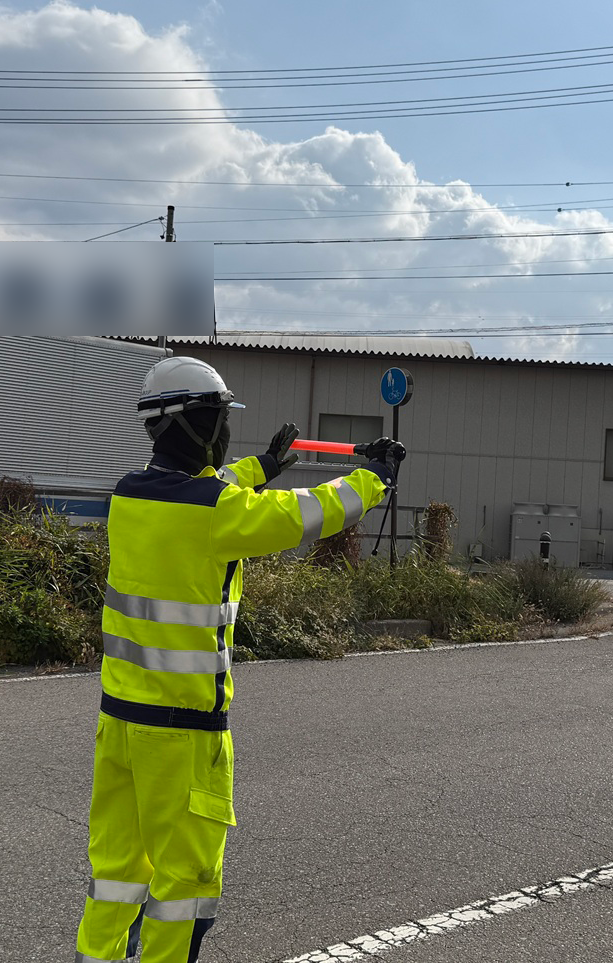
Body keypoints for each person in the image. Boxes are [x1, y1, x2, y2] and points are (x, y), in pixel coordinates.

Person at [74, 356, 404, 963]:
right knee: (185, 884)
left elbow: (208, 490)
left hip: (118, 723)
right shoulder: (217, 513)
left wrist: (264, 467)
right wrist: (374, 478)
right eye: (220, 419)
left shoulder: (130, 496)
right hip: (183, 735)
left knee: (117, 873)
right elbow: (304, 513)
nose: (225, 431)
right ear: (194, 423)